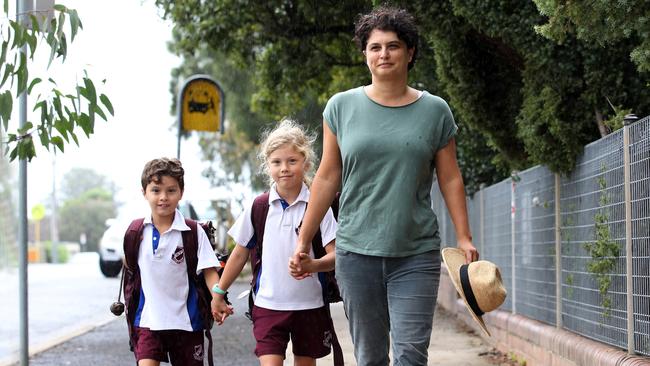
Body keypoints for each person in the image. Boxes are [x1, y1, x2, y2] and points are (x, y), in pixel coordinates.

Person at [290, 6, 479, 366]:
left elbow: (450, 176)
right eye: (375, 47)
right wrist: (304, 239)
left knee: (410, 354)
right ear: (365, 54)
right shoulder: (341, 107)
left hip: (415, 252)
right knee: (371, 357)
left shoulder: (435, 110)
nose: (384, 54)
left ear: (410, 53)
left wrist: (464, 236)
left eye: (393, 46)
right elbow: (328, 176)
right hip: (356, 253)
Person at [213, 119, 338, 366]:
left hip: (310, 305)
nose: (284, 168)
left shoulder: (318, 206)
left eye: (292, 161)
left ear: (307, 163)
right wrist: (219, 291)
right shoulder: (258, 207)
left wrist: (311, 266)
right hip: (268, 306)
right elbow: (239, 254)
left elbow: (337, 256)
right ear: (267, 165)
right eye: (277, 162)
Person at [123, 157, 233, 366]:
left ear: (181, 192)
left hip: (187, 322)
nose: (163, 197)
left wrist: (218, 298)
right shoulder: (136, 232)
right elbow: (131, 271)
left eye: (171, 190)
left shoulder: (193, 232)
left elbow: (209, 271)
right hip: (147, 322)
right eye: (156, 190)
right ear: (144, 192)